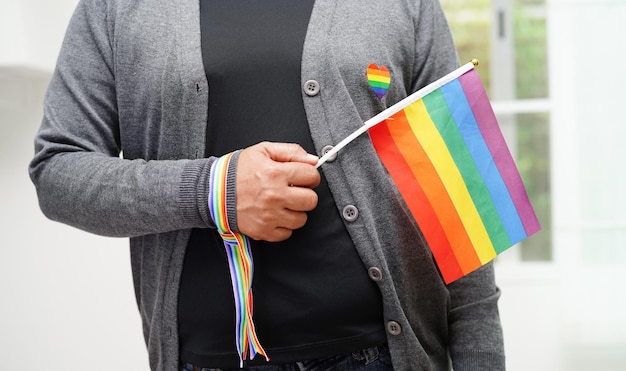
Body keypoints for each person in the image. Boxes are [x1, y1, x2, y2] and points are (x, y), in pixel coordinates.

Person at [29, 0, 505, 370]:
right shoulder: (114, 8)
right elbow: (58, 170)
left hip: (384, 355)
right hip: (203, 360)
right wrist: (214, 189)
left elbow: (465, 206)